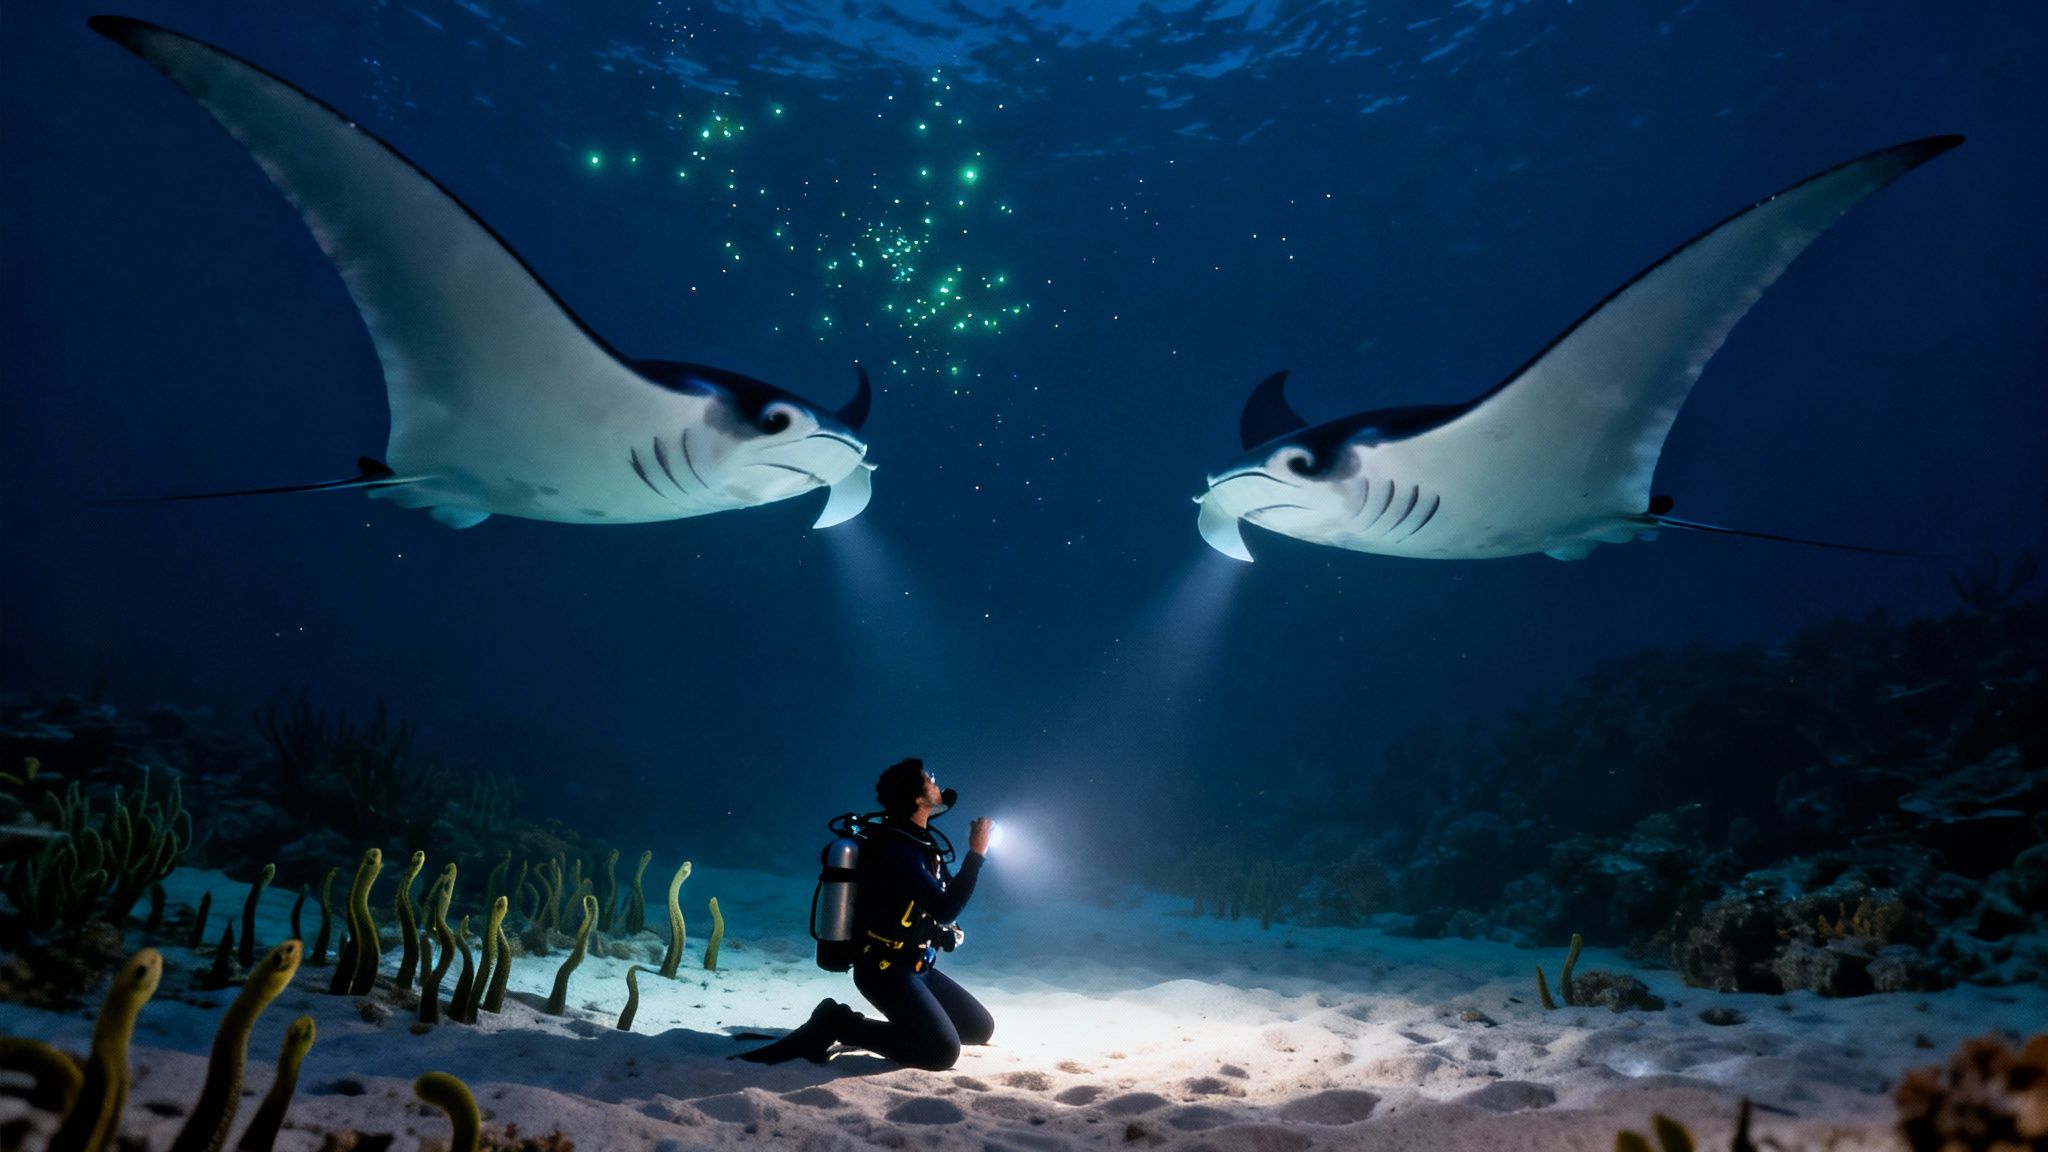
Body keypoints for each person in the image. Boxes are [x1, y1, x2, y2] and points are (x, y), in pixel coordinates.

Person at [739, 757, 995, 1070]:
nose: (934, 780)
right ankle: (840, 1023)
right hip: (885, 971)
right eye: (928, 779)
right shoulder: (899, 850)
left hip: (918, 966)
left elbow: (937, 903)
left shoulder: (921, 842)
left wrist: (935, 933)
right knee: (940, 1051)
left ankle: (909, 1023)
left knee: (979, 1029)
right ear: (916, 798)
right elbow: (945, 909)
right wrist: (976, 854)